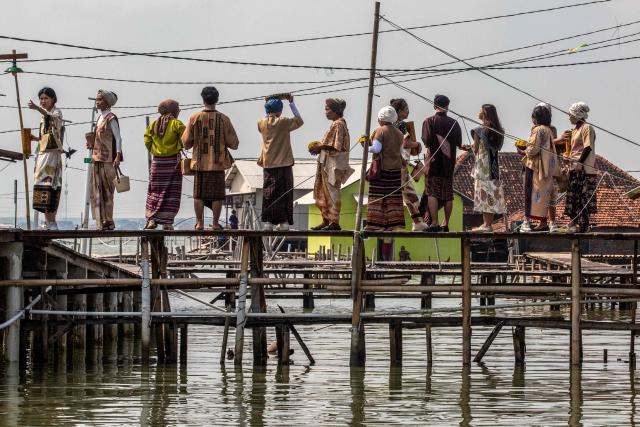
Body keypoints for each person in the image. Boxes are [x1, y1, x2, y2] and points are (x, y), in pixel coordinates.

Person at [182, 86, 240, 230]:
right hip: (217, 163)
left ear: (202, 99)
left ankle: (199, 223)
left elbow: (185, 142)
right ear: (217, 99)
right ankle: (215, 223)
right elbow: (234, 144)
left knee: (199, 195)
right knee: (217, 196)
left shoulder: (194, 118)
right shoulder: (224, 119)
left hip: (200, 164)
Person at [257, 95, 303, 231]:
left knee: (269, 193)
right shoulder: (283, 122)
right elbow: (299, 121)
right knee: (285, 192)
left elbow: (266, 117)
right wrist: (292, 103)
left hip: (269, 164)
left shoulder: (261, 123)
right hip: (284, 163)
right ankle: (284, 223)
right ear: (280, 110)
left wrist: (268, 104)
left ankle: (268, 223)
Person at [311, 98, 353, 231]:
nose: (325, 112)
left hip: (334, 164)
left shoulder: (339, 124)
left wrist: (319, 147)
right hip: (327, 163)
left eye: (328, 109)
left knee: (332, 192)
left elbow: (336, 146)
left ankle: (334, 222)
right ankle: (326, 220)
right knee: (323, 192)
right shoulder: (336, 124)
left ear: (335, 111)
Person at [421, 95, 462, 232]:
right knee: (447, 194)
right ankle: (446, 223)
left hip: (433, 163)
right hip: (449, 164)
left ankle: (434, 223)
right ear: (448, 106)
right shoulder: (454, 123)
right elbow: (459, 143)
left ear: (434, 106)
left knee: (432, 193)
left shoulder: (429, 121)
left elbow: (426, 141)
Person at [143, 99, 185, 230]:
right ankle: (167, 223)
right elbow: (186, 139)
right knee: (172, 193)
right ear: (173, 110)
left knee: (154, 191)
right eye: (178, 108)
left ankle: (152, 220)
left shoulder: (153, 124)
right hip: (172, 163)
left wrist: (155, 151)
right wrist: (178, 146)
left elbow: (147, 140)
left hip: (157, 163)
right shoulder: (177, 124)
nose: (179, 111)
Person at [518, 105, 559, 232]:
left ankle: (527, 222)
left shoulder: (537, 130)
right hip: (547, 168)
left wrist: (523, 150)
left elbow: (533, 149)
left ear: (536, 118)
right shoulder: (549, 130)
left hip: (535, 167)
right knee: (546, 195)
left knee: (530, 193)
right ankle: (543, 223)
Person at [390, 98, 429, 231]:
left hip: (393, 162)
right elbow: (404, 143)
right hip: (400, 163)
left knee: (407, 194)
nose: (408, 111)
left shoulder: (389, 125)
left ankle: (417, 221)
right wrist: (416, 144)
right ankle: (411, 222)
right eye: (406, 109)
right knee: (405, 193)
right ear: (399, 111)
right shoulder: (401, 125)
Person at [28, 87, 64, 230]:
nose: (43, 101)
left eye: (46, 98)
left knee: (51, 186)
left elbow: (54, 121)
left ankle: (52, 222)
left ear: (53, 99)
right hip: (42, 155)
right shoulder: (44, 117)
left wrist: (38, 108)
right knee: (42, 187)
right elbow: (46, 138)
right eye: (41, 99)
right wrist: (36, 138)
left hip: (52, 157)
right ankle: (47, 222)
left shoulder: (56, 112)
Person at [365, 106, 406, 231]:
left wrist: (366, 146)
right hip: (395, 170)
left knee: (377, 196)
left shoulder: (380, 130)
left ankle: (375, 225)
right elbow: (401, 152)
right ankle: (394, 225)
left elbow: (376, 149)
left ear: (381, 119)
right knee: (393, 198)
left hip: (382, 169)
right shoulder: (399, 133)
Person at [87, 89, 122, 230]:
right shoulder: (99, 118)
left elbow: (118, 137)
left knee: (108, 191)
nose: (97, 102)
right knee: (96, 190)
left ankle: (109, 220)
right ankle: (100, 221)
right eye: (97, 99)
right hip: (97, 158)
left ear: (107, 102)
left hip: (109, 159)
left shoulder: (111, 118)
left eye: (100, 100)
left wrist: (118, 155)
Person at [470, 104, 506, 232]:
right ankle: (488, 224)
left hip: (483, 165)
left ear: (484, 113)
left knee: (484, 192)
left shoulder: (479, 130)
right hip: (494, 165)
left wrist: (468, 147)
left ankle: (486, 225)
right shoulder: (499, 131)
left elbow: (475, 149)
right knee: (491, 192)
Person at [564, 102, 597, 232]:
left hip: (584, 168)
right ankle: (573, 222)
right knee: (573, 197)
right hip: (574, 167)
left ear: (577, 115)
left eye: (570, 115)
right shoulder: (574, 130)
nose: (569, 117)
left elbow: (587, 146)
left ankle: (582, 225)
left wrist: (579, 162)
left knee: (581, 197)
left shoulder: (586, 128)